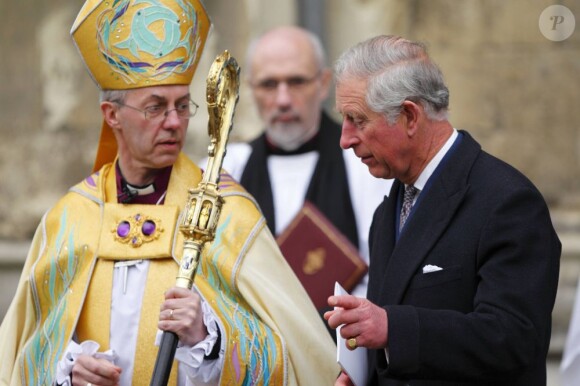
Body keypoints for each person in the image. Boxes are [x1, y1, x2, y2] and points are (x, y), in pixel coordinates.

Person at [0, 1, 339, 385]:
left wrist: (208, 339)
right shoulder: (71, 219)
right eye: (155, 107)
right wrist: (67, 370)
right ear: (112, 115)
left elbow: (289, 356)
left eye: (182, 105)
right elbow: (22, 355)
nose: (174, 122)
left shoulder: (227, 213)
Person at [324, 35, 561, 385]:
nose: (345, 139)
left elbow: (514, 338)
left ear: (409, 116)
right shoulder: (388, 210)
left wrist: (393, 328)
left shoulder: (507, 202)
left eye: (357, 120)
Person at [218, 26, 391, 315]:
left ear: (324, 83)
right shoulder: (228, 169)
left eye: (296, 82)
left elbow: (383, 270)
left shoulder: (363, 163)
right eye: (269, 84)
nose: (283, 99)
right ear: (250, 88)